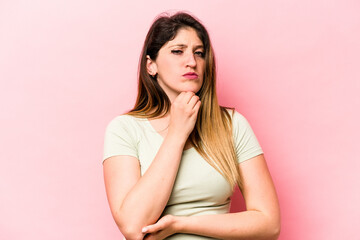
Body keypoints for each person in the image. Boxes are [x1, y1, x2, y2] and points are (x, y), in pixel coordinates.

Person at [102, 11, 280, 240]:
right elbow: (133, 227)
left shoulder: (232, 124)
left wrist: (182, 224)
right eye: (178, 51)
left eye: (199, 53)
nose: (192, 62)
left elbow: (269, 224)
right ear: (151, 65)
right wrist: (177, 133)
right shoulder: (124, 129)